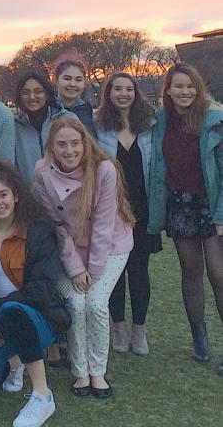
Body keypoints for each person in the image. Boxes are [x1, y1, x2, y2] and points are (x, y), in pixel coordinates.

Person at [34, 118, 134, 397]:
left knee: (96, 303)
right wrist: (77, 270)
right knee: (76, 305)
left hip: (110, 246)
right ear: (52, 147)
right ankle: (80, 372)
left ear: (85, 143)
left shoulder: (104, 169)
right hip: (70, 250)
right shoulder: (42, 172)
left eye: (75, 143)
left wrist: (94, 270)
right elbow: (56, 225)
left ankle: (98, 372)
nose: (69, 150)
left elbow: (103, 224)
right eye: (61, 144)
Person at [0, 162, 70, 427]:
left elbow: (41, 290)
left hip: (37, 316)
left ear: (16, 195)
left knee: (12, 311)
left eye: (3, 195)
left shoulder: (39, 231)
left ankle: (42, 396)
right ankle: (16, 361)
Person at [147, 63, 223, 373]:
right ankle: (199, 338)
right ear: (168, 90)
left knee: (218, 275)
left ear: (198, 88)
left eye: (190, 86)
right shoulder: (162, 121)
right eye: (178, 86)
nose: (185, 92)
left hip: (212, 204)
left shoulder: (214, 120)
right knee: (190, 271)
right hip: (179, 205)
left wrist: (220, 215)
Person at [96, 72, 162, 355]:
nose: (123, 93)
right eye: (117, 89)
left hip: (143, 208)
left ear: (136, 93)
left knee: (139, 270)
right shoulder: (99, 126)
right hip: (113, 209)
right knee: (115, 272)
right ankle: (118, 329)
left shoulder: (149, 124)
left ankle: (139, 331)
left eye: (128, 89)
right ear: (108, 93)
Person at [14, 70, 76, 184]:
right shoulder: (13, 125)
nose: (32, 97)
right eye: (26, 92)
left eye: (38, 91)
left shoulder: (69, 119)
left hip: (66, 195)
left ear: (46, 94)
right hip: (28, 197)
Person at [55, 58, 97, 138]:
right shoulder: (48, 111)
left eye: (78, 80)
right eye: (67, 79)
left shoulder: (86, 109)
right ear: (56, 80)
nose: (73, 84)